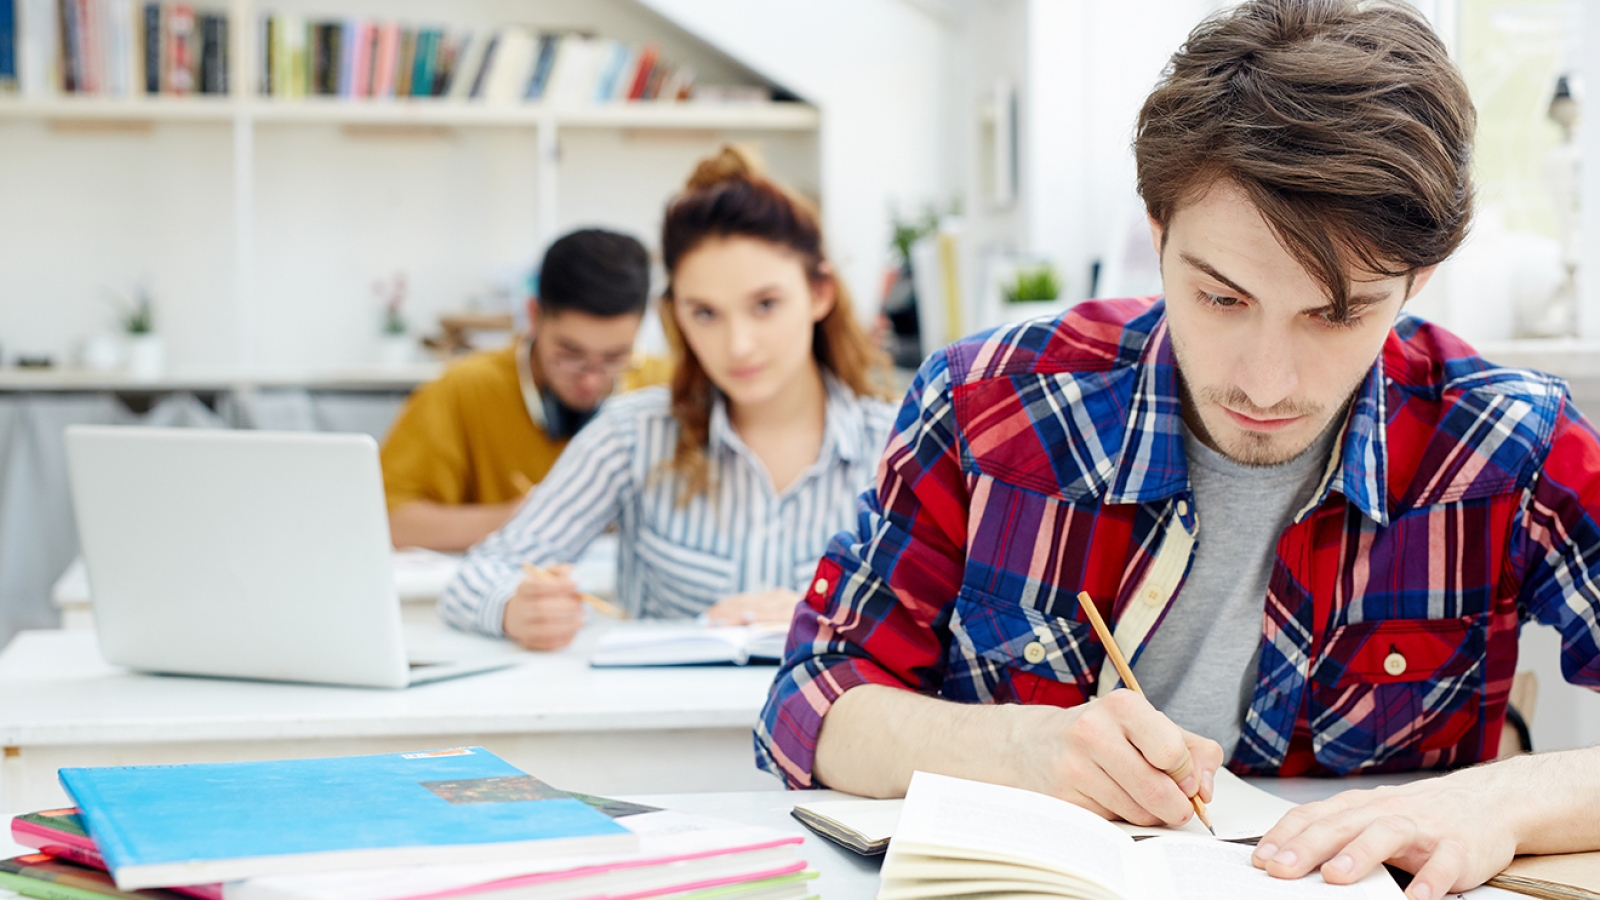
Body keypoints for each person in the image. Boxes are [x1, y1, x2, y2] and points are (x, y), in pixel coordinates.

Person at [755, 2, 1600, 899]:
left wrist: (1496, 800)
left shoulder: (1511, 446)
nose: (1266, 385)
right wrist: (1018, 748)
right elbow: (811, 701)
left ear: (1417, 280)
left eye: (1338, 314)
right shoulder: (988, 407)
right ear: (1157, 236)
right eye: (1222, 299)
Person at [439, 145, 897, 652]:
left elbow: (949, 632)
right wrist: (513, 607)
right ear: (675, 314)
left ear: (819, 293)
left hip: (829, 707)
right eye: (705, 313)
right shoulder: (633, 434)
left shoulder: (898, 448)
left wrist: (828, 618)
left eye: (765, 305)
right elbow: (479, 575)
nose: (738, 345)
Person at [381, 228, 670, 552]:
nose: (590, 381)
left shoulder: (668, 389)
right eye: (570, 355)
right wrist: (521, 518)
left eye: (614, 357)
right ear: (534, 316)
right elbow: (384, 518)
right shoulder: (464, 388)